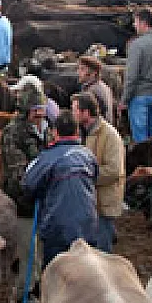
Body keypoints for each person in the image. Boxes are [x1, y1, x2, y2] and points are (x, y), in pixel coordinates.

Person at [23, 111, 98, 264]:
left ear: (54, 132)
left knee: (56, 273)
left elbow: (28, 185)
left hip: (58, 230)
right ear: (77, 132)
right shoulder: (88, 155)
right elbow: (96, 176)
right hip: (87, 226)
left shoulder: (46, 158)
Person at [1, 86, 50, 275]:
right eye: (35, 109)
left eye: (42, 109)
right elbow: (17, 170)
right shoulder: (13, 133)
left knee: (41, 247)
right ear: (25, 111)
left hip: (45, 199)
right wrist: (37, 184)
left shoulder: (47, 130)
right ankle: (25, 291)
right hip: (23, 200)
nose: (39, 113)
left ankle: (38, 283)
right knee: (26, 250)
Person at [71, 93, 124, 252]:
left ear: (86, 112)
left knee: (102, 251)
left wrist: (84, 176)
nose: (72, 114)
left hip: (103, 204)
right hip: (88, 202)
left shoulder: (110, 136)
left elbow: (114, 171)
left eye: (75, 110)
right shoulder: (80, 133)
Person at [122, 8, 152, 143]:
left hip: (140, 96)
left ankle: (143, 163)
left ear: (143, 23)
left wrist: (124, 100)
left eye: (135, 22)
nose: (134, 25)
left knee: (141, 139)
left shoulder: (136, 45)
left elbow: (131, 76)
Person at [76, 56, 114, 126]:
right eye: (78, 69)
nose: (78, 72)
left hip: (98, 132)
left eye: (82, 69)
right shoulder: (102, 85)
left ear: (94, 73)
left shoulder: (92, 91)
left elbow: (91, 118)